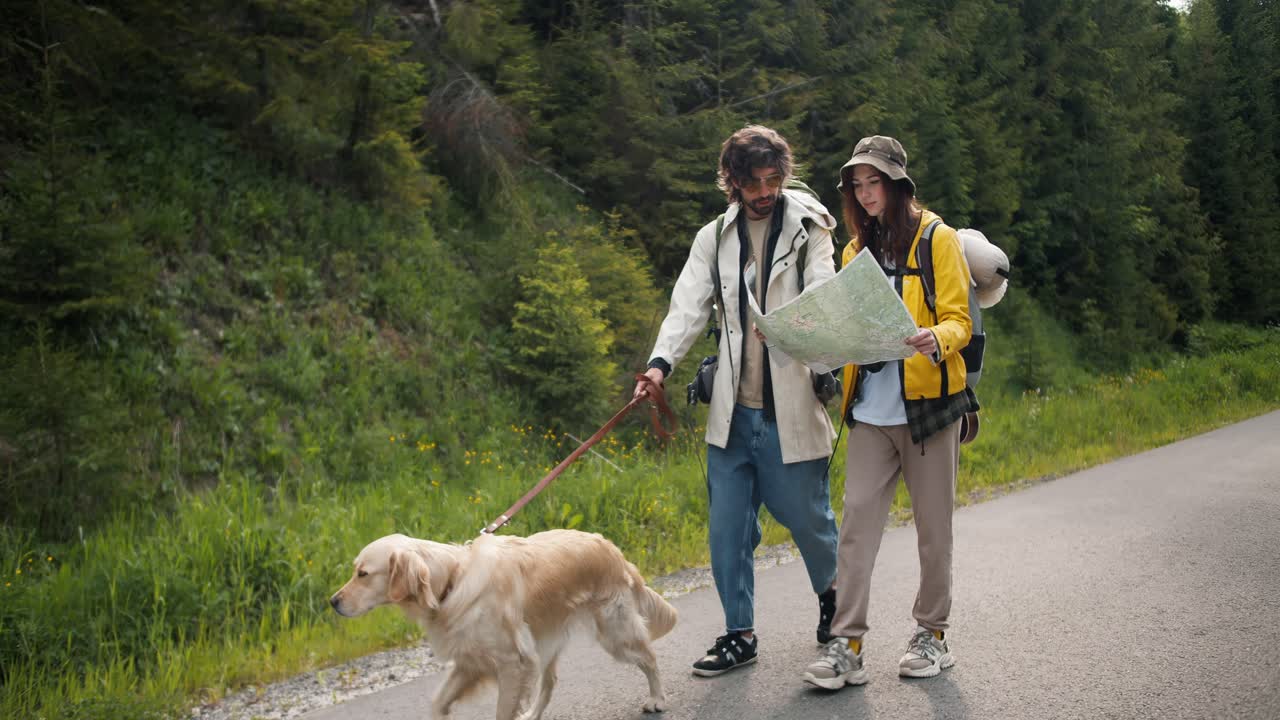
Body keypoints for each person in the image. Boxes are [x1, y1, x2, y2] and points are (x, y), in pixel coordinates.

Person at [633, 125, 841, 677]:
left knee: (809, 519)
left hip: (790, 406)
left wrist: (796, 324)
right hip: (732, 413)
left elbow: (824, 287)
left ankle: (834, 599)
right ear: (733, 182)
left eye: (774, 180)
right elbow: (687, 307)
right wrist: (658, 366)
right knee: (727, 531)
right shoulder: (714, 238)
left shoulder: (811, 229)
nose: (765, 192)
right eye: (754, 183)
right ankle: (738, 634)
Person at [802, 135, 978, 690]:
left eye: (873, 181)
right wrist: (810, 342)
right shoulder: (854, 252)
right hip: (871, 413)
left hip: (930, 410)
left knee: (933, 530)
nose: (864, 192)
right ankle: (847, 645)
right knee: (856, 527)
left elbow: (960, 320)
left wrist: (935, 338)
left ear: (897, 184)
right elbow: (850, 330)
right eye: (857, 184)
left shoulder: (937, 239)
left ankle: (932, 634)